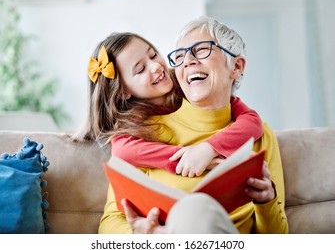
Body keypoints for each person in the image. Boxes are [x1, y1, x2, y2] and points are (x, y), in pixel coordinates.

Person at [97, 16, 288, 234]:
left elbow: (278, 238)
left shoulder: (260, 135)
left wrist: (266, 201)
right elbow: (109, 224)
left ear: (236, 66)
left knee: (197, 208)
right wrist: (145, 236)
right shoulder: (142, 134)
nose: (188, 61)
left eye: (201, 50)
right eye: (180, 55)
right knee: (194, 208)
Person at [77, 32, 263, 178]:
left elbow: (252, 121)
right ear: (123, 92)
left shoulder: (189, 82)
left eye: (153, 55)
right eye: (141, 69)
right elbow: (123, 150)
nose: (155, 66)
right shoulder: (135, 121)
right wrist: (186, 158)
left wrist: (208, 149)